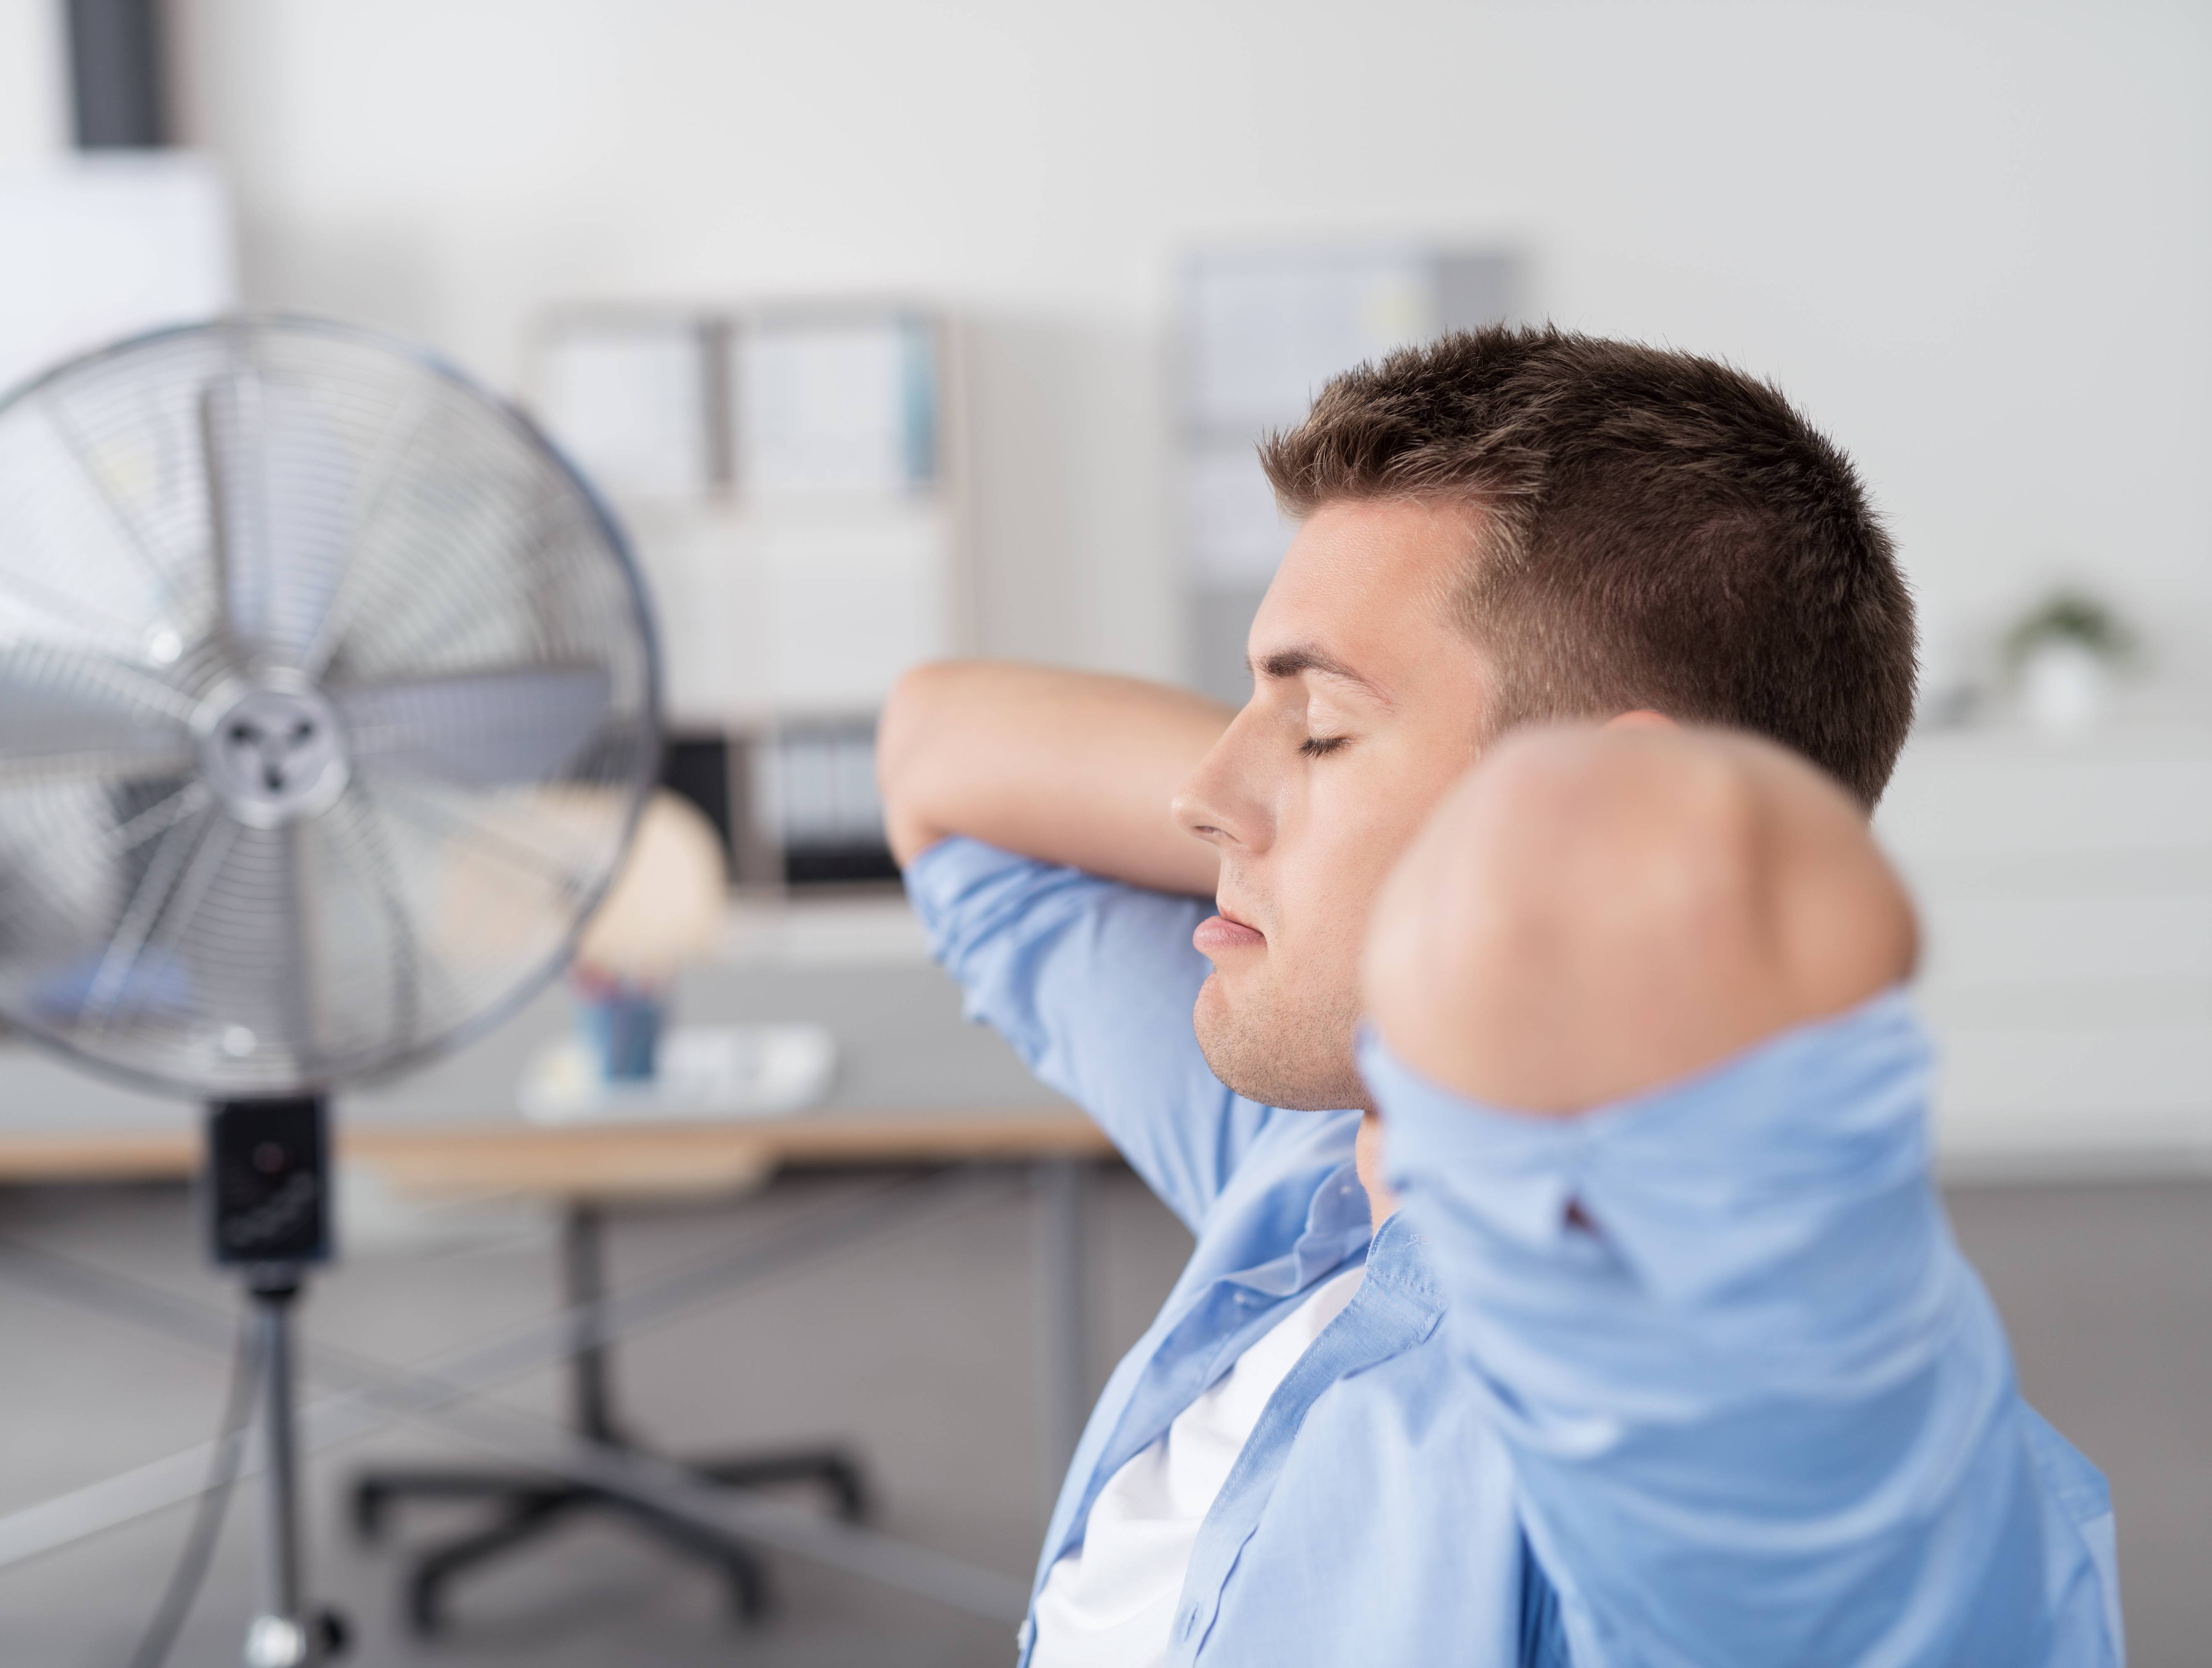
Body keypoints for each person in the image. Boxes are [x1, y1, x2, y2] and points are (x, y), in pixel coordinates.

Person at [876, 326, 2121, 1667]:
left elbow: (1832, 1569)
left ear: (1610, 818)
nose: (1199, 801)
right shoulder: (1308, 1161)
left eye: (1319, 729)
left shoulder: (1712, 1432)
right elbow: (942, 758)